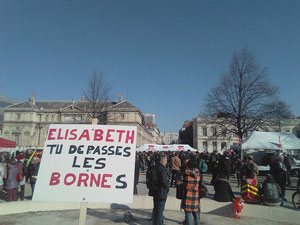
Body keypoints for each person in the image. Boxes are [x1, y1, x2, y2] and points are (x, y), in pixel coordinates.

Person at [181, 157, 200, 225]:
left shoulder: (186, 173)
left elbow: (181, 182)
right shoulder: (198, 173)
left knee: (188, 213)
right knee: (195, 212)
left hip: (188, 195)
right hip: (195, 194)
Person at [152, 155, 169, 225]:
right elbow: (164, 181)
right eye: (166, 161)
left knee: (155, 209)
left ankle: (154, 223)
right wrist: (167, 189)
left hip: (154, 190)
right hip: (161, 192)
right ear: (162, 161)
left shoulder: (154, 167)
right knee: (160, 210)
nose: (166, 162)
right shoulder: (162, 169)